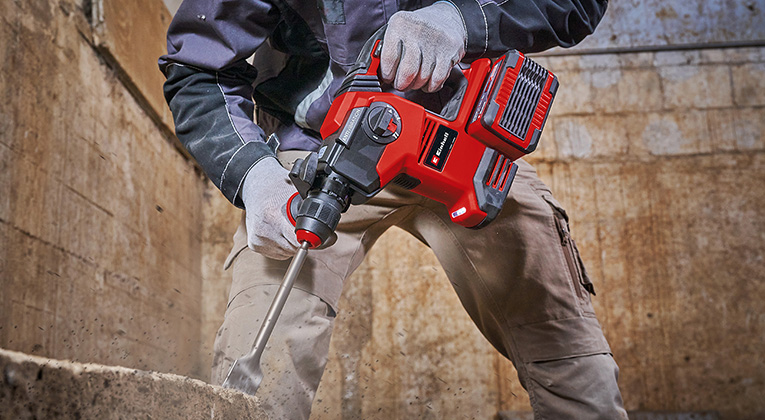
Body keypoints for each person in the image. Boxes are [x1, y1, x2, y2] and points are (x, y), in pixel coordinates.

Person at [160, 1, 627, 418]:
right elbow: (198, 67)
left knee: (572, 361)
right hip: (320, 153)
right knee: (261, 351)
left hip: (469, 150)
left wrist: (462, 20)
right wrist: (252, 174)